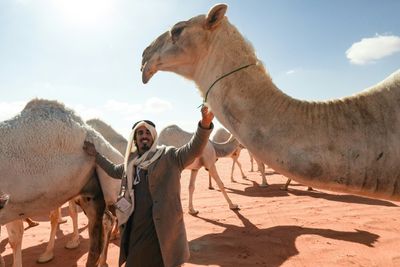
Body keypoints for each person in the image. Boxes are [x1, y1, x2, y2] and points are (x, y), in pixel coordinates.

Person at [82, 106, 214, 267]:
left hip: (164, 231)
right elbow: (114, 170)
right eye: (140, 133)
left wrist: (204, 125)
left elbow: (194, 148)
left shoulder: (169, 156)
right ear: (135, 139)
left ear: (153, 137)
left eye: (147, 133)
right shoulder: (131, 164)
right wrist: (96, 155)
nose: (144, 136)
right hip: (136, 230)